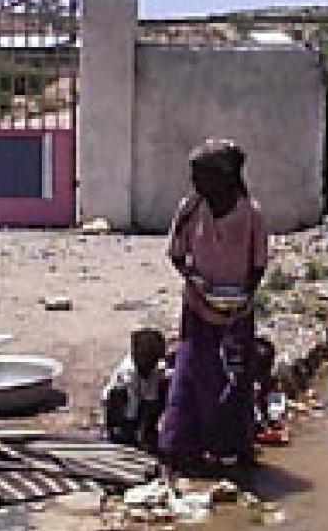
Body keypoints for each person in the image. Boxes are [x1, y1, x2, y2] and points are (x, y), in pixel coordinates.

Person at [158, 139, 268, 470]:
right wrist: (198, 283)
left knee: (234, 379)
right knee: (193, 373)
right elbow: (177, 254)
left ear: (225, 177)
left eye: (201, 175)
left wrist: (244, 296)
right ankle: (184, 448)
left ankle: (232, 446)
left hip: (237, 312)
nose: (195, 183)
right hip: (198, 306)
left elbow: (258, 263)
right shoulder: (190, 209)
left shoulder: (250, 214)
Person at [102, 328, 168, 453]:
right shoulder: (129, 372)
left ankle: (145, 432)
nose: (150, 362)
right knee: (119, 393)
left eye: (153, 358)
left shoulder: (154, 370)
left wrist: (146, 425)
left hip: (139, 402)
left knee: (163, 387)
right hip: (120, 406)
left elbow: (151, 398)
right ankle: (119, 431)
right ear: (135, 355)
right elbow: (131, 406)